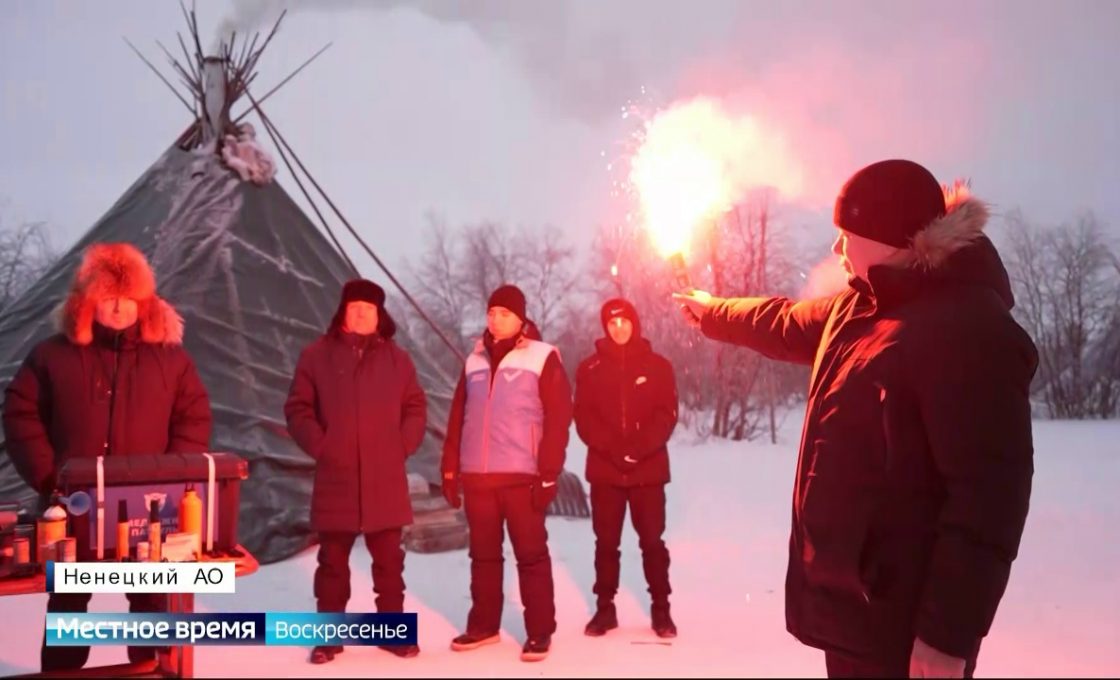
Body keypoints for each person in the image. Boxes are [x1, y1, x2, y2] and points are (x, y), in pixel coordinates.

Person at [674, 160, 1038, 678]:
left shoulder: (970, 331)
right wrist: (712, 311)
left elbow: (989, 500)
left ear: (888, 237)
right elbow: (781, 321)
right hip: (856, 608)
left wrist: (947, 637)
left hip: (911, 627)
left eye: (847, 234)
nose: (837, 248)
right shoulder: (860, 308)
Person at [3, 242, 212, 672]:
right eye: (108, 299)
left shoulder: (171, 360)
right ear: (88, 303)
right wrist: (50, 479)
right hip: (72, 511)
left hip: (148, 514)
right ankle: (62, 674)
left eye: (129, 299)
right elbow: (20, 411)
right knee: (69, 608)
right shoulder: (52, 355)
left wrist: (168, 480)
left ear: (145, 303)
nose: (119, 309)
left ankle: (154, 671)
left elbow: (194, 418)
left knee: (153, 606)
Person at [284, 279, 428, 664]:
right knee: (332, 562)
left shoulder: (398, 360)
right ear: (343, 311)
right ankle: (328, 638)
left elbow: (415, 406)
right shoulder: (317, 356)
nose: (362, 313)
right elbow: (298, 409)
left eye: (369, 308)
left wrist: (401, 445)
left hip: (384, 476)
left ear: (379, 315)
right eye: (355, 307)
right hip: (338, 476)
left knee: (389, 562)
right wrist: (323, 445)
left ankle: (393, 634)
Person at [440, 284, 573, 662]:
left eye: (504, 313)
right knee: (483, 555)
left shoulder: (542, 357)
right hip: (478, 478)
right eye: (491, 313)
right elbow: (457, 418)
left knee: (531, 555)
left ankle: (539, 632)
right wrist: (450, 470)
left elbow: (559, 417)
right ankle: (483, 625)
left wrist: (548, 472)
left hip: (522, 476)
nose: (495, 319)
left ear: (520, 318)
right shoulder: (474, 361)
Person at [574, 298, 680, 639]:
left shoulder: (658, 366)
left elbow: (667, 415)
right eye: (612, 323)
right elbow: (584, 418)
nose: (618, 329)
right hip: (606, 473)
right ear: (605, 326)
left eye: (624, 322)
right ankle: (605, 611)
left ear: (635, 323)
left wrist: (637, 448)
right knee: (606, 544)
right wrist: (613, 449)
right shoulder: (589, 369)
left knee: (652, 542)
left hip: (647, 473)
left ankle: (661, 610)